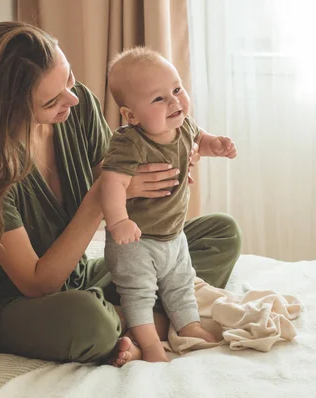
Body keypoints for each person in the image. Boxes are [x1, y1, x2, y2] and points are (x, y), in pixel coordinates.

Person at [0, 21, 241, 367]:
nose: (72, 98)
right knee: (88, 320)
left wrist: (166, 177)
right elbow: (38, 282)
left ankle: (134, 324)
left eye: (69, 78)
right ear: (10, 108)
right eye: (51, 100)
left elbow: (124, 183)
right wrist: (98, 199)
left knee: (220, 233)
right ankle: (144, 322)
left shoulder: (78, 109)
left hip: (81, 275)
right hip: (23, 304)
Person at [101, 48, 237, 362]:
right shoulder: (129, 142)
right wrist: (119, 221)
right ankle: (149, 346)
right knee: (139, 295)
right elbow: (112, 183)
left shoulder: (183, 126)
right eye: (159, 99)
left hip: (173, 236)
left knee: (181, 283)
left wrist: (214, 145)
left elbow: (199, 139)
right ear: (131, 115)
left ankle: (189, 326)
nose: (175, 102)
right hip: (136, 242)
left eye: (176, 89)